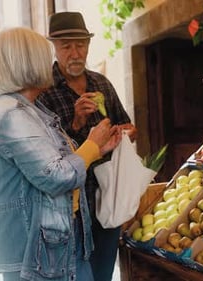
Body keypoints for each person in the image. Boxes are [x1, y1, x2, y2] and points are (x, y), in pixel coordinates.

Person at [0, 27, 122, 281]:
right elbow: (55, 176)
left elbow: (56, 161)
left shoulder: (28, 109)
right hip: (34, 256)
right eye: (44, 55)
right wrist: (91, 144)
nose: (50, 63)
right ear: (27, 63)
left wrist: (98, 149)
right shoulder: (11, 114)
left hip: (56, 245)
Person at [38, 12, 137, 281]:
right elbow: (45, 158)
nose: (74, 52)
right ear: (54, 48)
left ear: (88, 45)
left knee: (103, 273)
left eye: (80, 44)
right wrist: (77, 123)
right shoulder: (43, 91)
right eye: (66, 46)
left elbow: (128, 127)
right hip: (69, 208)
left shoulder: (101, 83)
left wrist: (124, 132)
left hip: (107, 198)